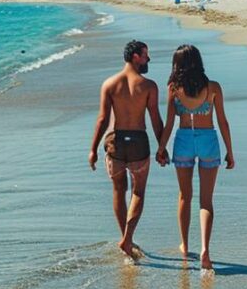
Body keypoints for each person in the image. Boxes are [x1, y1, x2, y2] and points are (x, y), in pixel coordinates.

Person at [156, 45, 234, 269]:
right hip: (208, 139)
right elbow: (223, 121)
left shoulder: (173, 88)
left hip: (183, 141)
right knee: (206, 200)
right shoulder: (213, 88)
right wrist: (230, 150)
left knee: (184, 196)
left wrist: (161, 148)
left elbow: (170, 123)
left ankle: (185, 244)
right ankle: (205, 250)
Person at [89, 40, 166, 259]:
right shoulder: (149, 86)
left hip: (115, 140)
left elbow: (103, 120)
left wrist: (93, 149)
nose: (148, 60)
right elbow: (155, 120)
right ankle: (128, 238)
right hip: (138, 142)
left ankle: (126, 238)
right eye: (145, 56)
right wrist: (162, 147)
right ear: (135, 57)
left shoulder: (110, 84)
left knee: (118, 191)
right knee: (138, 192)